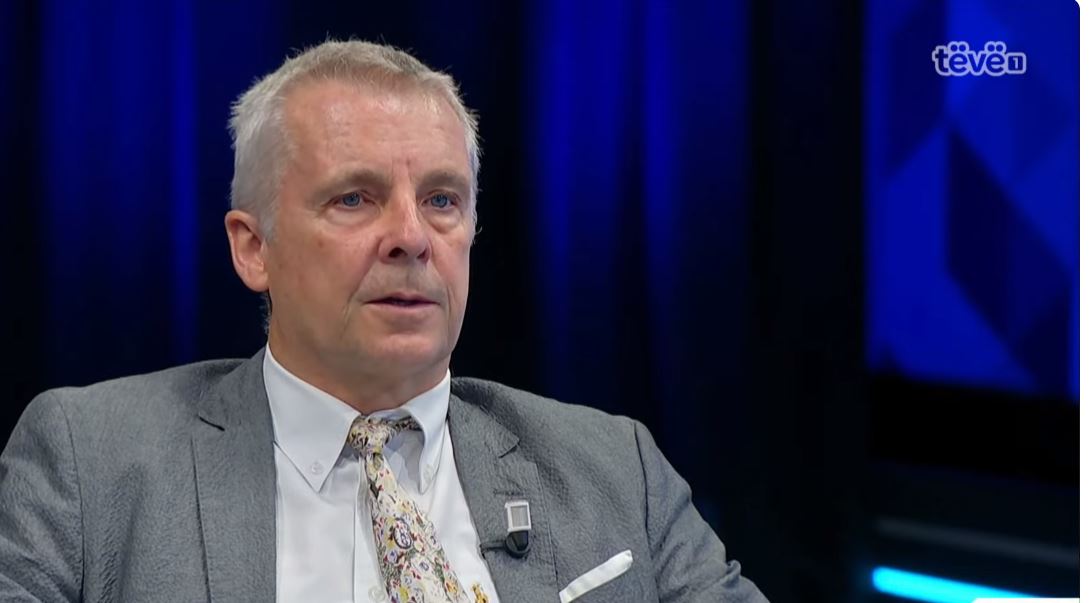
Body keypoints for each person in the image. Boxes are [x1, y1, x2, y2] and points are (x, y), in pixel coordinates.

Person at [0, 40, 766, 603]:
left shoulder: (613, 467)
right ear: (254, 247)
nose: (411, 236)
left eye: (441, 200)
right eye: (354, 198)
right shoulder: (91, 463)